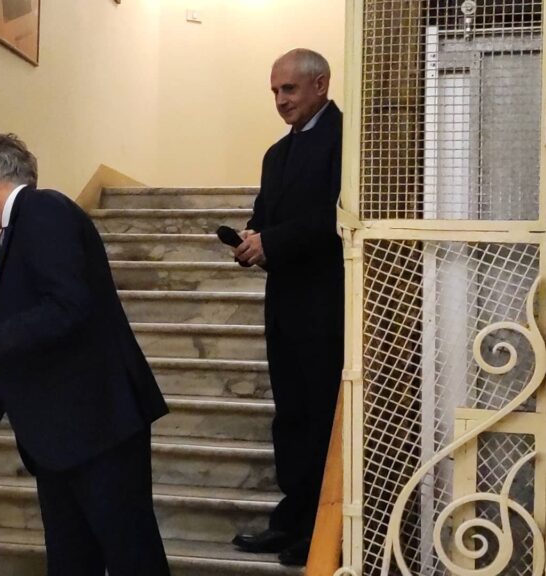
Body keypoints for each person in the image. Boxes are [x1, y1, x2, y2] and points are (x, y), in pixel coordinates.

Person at [0, 134, 171, 576]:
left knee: (131, 556)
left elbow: (68, 306)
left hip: (96, 423)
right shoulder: (21, 225)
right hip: (67, 431)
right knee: (73, 558)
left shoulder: (42, 209)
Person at [229, 48, 344, 567]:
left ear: (320, 84)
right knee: (291, 417)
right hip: (284, 304)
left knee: (320, 417)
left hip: (327, 305)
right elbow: (265, 215)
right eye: (275, 91)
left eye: (289, 89)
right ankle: (291, 520)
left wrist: (271, 242)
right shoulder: (276, 154)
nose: (280, 100)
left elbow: (339, 215)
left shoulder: (348, 138)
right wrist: (251, 240)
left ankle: (320, 529)